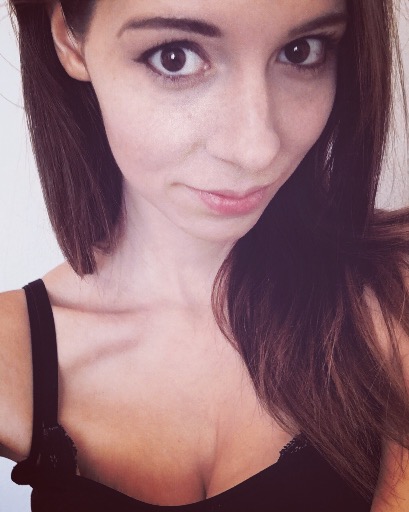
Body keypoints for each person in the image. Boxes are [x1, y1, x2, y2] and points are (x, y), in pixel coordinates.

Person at [1, 0, 408, 510]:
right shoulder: (12, 355)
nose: (257, 149)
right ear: (70, 38)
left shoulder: (391, 291)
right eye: (175, 56)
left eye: (300, 51)